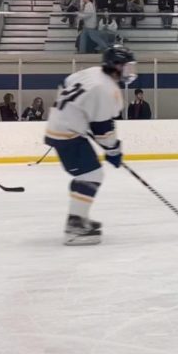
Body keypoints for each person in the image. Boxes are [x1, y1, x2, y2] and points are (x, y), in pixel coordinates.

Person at [45, 46, 134, 245]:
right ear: (116, 66)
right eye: (127, 66)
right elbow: (102, 128)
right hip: (67, 133)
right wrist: (113, 150)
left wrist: (77, 113)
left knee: (88, 173)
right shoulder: (108, 89)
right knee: (91, 174)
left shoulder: (92, 73)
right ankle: (74, 227)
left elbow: (64, 84)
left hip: (63, 126)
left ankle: (78, 218)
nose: (129, 71)